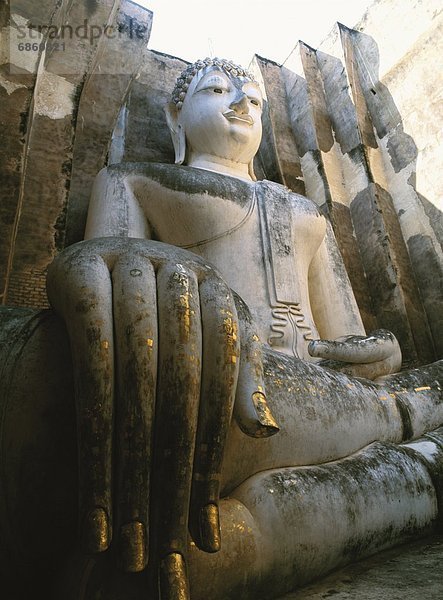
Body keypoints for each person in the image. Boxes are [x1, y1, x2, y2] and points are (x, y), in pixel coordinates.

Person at [45, 57, 442, 599]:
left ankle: (381, 453)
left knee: (417, 387)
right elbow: (115, 286)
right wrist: (94, 265)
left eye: (254, 100)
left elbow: (350, 335)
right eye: (216, 90)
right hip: (223, 382)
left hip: (325, 391)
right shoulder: (139, 181)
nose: (240, 105)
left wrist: (372, 351)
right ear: (175, 114)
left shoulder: (306, 213)